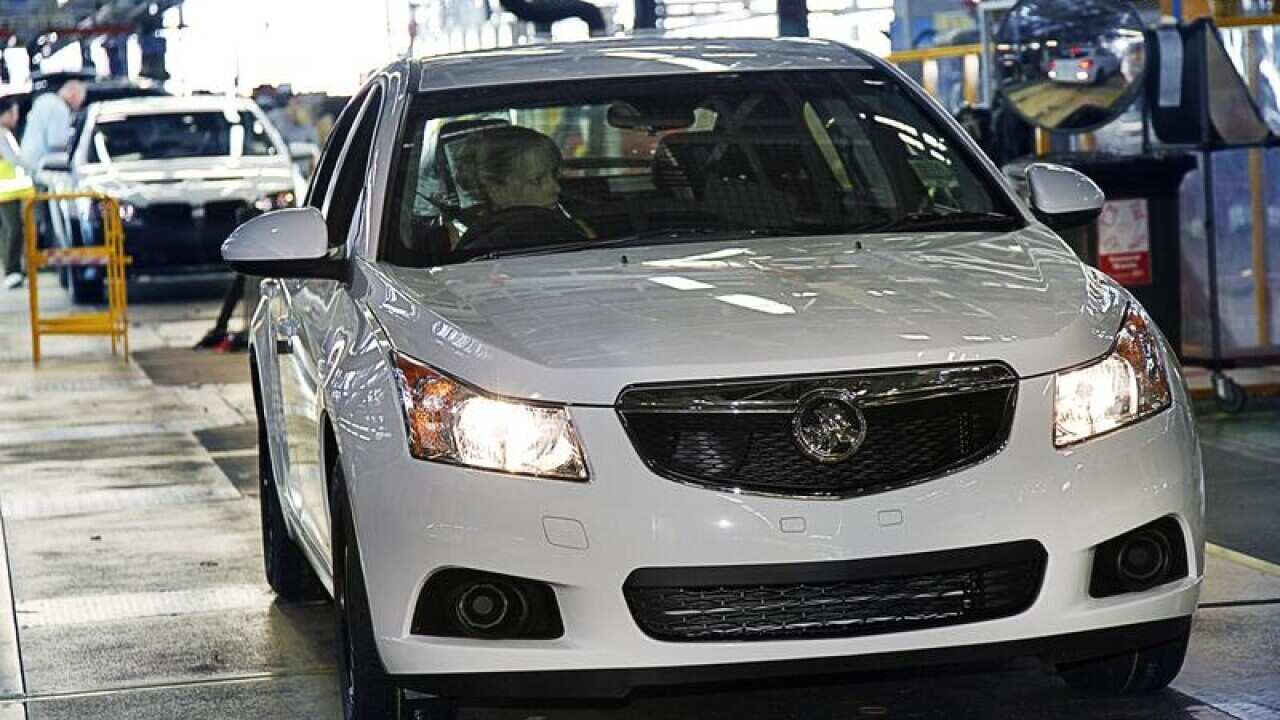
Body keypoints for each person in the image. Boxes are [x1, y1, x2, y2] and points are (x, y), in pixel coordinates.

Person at [0, 97, 35, 289]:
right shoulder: (2, 135)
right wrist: (35, 166)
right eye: (13, 113)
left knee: (9, 230)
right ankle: (12, 270)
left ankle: (13, 269)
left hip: (8, 191)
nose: (15, 117)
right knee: (13, 229)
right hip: (7, 191)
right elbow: (14, 159)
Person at [19, 79, 86, 174]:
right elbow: (56, 142)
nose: (78, 106)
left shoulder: (44, 99)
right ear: (73, 95)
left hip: (26, 159)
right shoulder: (60, 108)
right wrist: (75, 141)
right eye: (80, 101)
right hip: (42, 166)